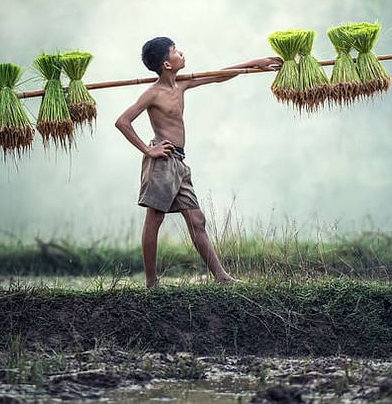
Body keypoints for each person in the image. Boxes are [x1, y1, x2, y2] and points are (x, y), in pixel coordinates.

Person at [114, 36, 282, 288]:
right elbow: (122, 122)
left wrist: (255, 63)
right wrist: (150, 151)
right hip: (162, 160)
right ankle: (151, 283)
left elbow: (218, 75)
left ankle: (222, 277)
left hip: (179, 162)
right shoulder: (152, 94)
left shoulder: (180, 85)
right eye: (175, 51)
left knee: (196, 220)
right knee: (155, 218)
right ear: (166, 64)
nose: (181, 53)